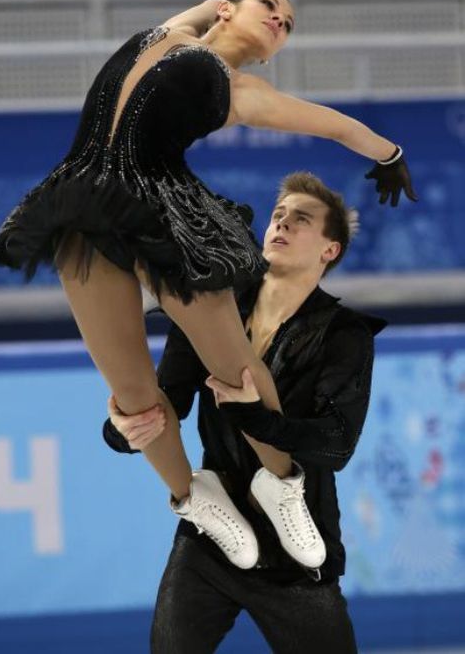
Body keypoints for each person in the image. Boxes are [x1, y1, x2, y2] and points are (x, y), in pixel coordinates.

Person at [0, 0, 413, 569]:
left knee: (234, 366)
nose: (279, 22)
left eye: (286, 25)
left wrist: (388, 154)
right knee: (132, 396)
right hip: (79, 207)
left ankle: (281, 485)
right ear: (229, 8)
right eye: (271, 5)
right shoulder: (158, 36)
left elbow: (335, 124)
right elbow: (183, 26)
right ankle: (193, 495)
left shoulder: (240, 91)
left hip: (163, 213)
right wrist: (206, 10)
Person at [105, 172, 385, 653]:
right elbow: (170, 398)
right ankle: (200, 502)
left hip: (296, 551)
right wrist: (123, 425)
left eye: (301, 220)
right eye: (278, 216)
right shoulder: (212, 311)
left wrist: (258, 418)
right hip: (212, 534)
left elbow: (336, 443)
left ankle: (280, 497)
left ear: (329, 250)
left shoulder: (344, 335)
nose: (282, 224)